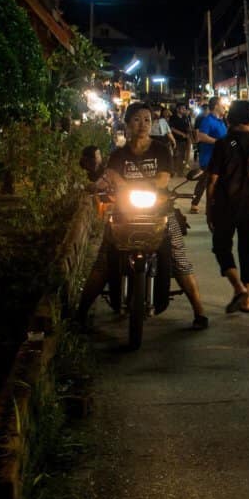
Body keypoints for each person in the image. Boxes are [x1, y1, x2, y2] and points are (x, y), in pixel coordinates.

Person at [76, 102, 208, 330]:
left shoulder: (161, 150)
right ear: (127, 124)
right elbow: (111, 177)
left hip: (160, 211)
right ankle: (79, 314)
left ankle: (199, 312)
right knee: (103, 260)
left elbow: (163, 180)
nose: (143, 124)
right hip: (124, 213)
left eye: (147, 120)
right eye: (137, 119)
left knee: (178, 257)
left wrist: (129, 185)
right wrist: (98, 185)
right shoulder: (118, 155)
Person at [206, 100, 249, 314]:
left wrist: (209, 207)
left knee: (221, 247)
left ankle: (239, 288)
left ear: (230, 118)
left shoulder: (223, 144)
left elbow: (212, 180)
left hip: (226, 205)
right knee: (248, 251)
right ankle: (246, 300)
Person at [191, 98, 228, 213]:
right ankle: (195, 203)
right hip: (208, 157)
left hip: (220, 158)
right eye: (222, 105)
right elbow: (201, 136)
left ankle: (214, 204)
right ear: (216, 106)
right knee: (205, 181)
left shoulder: (221, 121)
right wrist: (217, 142)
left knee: (217, 183)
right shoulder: (207, 120)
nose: (224, 107)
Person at [168, 102, 193, 176]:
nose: (184, 110)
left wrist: (189, 132)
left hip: (185, 140)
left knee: (182, 155)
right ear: (177, 109)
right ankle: (175, 170)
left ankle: (180, 171)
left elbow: (188, 127)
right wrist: (182, 134)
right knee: (177, 155)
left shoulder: (185, 117)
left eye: (185, 108)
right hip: (176, 139)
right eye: (182, 108)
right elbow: (172, 128)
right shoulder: (173, 117)